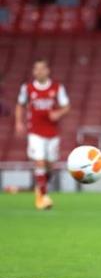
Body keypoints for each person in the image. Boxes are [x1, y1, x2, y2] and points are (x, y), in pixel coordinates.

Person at [15, 59, 70, 210]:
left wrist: (58, 113)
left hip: (52, 132)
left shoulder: (57, 87)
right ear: (33, 72)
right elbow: (20, 104)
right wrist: (19, 122)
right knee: (39, 162)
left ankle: (41, 188)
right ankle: (43, 197)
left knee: (50, 165)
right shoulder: (28, 88)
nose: (39, 72)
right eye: (36, 69)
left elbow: (66, 106)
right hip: (35, 132)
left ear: (47, 71)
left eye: (41, 69)